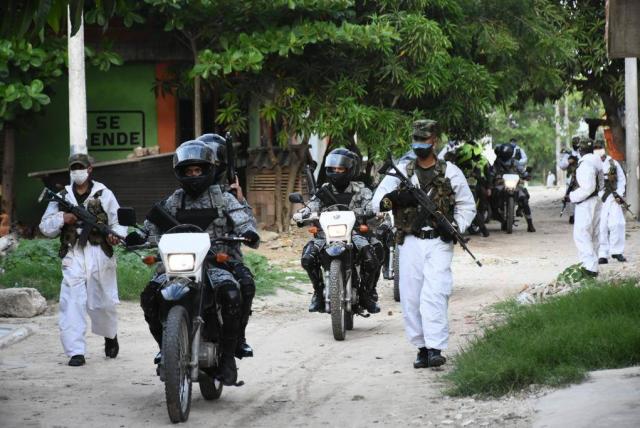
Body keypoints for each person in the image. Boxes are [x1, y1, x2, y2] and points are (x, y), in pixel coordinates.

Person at [131, 140, 260, 385]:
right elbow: (150, 227)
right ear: (180, 173)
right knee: (149, 295)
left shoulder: (224, 198)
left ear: (208, 170)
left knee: (234, 292)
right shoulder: (174, 201)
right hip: (177, 264)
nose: (193, 176)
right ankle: (165, 348)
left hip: (218, 262)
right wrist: (137, 235)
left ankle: (229, 357)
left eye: (198, 170)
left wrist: (248, 232)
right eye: (188, 171)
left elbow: (244, 223)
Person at [372, 120, 476, 368]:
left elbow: (467, 205)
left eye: (424, 140)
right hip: (409, 242)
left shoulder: (450, 171)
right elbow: (377, 203)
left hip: (438, 241)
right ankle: (421, 347)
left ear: (434, 142)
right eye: (416, 140)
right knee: (411, 297)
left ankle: (435, 348)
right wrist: (395, 197)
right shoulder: (402, 171)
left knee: (436, 292)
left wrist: (455, 228)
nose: (420, 144)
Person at [39, 153, 126, 366]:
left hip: (99, 253)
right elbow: (45, 227)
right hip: (73, 252)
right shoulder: (62, 196)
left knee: (103, 302)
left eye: (81, 167)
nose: (77, 171)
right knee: (72, 301)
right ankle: (76, 351)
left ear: (89, 169)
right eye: (74, 168)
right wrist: (63, 218)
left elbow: (118, 221)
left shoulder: (104, 193)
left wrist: (115, 235)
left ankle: (110, 335)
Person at [293, 148, 382, 315]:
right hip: (325, 235)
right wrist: (301, 214)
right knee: (307, 258)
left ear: (349, 170)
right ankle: (318, 293)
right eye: (333, 169)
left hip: (354, 234)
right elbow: (312, 205)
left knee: (371, 256)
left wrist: (371, 211)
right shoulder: (323, 191)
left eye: (340, 169)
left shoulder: (361, 189)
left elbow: (371, 205)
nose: (336, 172)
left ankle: (366, 294)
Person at [196, 133, 256, 358]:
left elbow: (248, 226)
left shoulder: (228, 196)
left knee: (245, 285)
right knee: (154, 292)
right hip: (186, 260)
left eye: (214, 163)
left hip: (224, 257)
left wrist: (240, 200)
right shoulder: (180, 196)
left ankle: (238, 339)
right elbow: (157, 220)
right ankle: (168, 348)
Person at [566, 138, 604, 277]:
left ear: (580, 150)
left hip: (586, 202)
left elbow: (588, 188)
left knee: (582, 234)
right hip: (596, 201)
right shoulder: (597, 161)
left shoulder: (585, 164)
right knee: (594, 234)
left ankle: (589, 267)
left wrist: (571, 196)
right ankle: (592, 265)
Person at [450, 140, 492, 237]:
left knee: (473, 207)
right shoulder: (461, 162)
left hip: (478, 186)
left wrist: (489, 187)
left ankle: (484, 230)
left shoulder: (482, 161)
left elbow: (488, 175)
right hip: (465, 187)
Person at [595, 140, 627, 264]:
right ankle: (602, 253)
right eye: (596, 148)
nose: (598, 150)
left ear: (604, 148)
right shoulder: (593, 163)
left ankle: (617, 251)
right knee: (601, 226)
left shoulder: (613, 163)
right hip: (599, 199)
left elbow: (622, 180)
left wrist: (619, 194)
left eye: (600, 147)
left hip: (613, 197)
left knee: (617, 223)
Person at [492, 143, 536, 232]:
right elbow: (492, 172)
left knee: (524, 198)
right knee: (493, 197)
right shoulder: (497, 162)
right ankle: (497, 216)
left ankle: (530, 224)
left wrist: (527, 175)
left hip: (514, 185)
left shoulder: (515, 162)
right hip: (501, 185)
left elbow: (523, 172)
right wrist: (493, 177)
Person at [559, 136, 582, 224]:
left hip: (582, 178)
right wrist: (569, 161)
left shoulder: (583, 153)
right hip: (571, 179)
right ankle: (572, 216)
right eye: (575, 143)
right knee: (571, 198)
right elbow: (562, 166)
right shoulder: (568, 154)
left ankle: (579, 215)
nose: (577, 145)